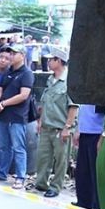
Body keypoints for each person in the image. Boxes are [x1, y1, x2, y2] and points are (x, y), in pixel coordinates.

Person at [34, 46, 77, 198]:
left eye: (51, 59)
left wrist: (67, 127)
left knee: (61, 160)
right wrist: (40, 121)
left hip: (60, 128)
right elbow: (45, 103)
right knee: (43, 156)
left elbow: (73, 107)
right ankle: (41, 183)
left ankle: (55, 186)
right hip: (47, 126)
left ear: (59, 61)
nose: (48, 62)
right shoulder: (50, 80)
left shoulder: (69, 81)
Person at [0, 43, 34, 189]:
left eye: (14, 53)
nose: (11, 56)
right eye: (10, 53)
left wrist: (3, 103)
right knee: (3, 145)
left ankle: (20, 177)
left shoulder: (27, 73)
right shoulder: (8, 72)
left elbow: (23, 95)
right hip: (3, 114)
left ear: (22, 55)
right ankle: (1, 172)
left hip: (17, 115)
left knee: (18, 147)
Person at [61, 105, 105, 209]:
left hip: (98, 133)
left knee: (97, 179)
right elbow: (84, 109)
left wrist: (103, 135)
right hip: (86, 131)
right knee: (82, 176)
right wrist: (79, 129)